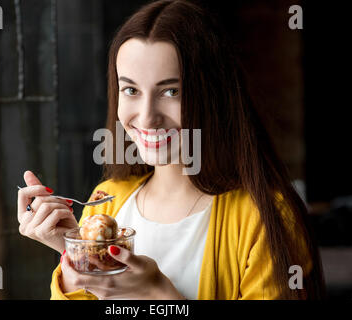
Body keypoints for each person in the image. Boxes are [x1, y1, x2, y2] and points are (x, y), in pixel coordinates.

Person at [17, 0, 326, 300]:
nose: (148, 117)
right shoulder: (106, 202)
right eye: (131, 90)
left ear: (213, 95)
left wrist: (159, 295)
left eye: (170, 91)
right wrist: (75, 253)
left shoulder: (267, 218)